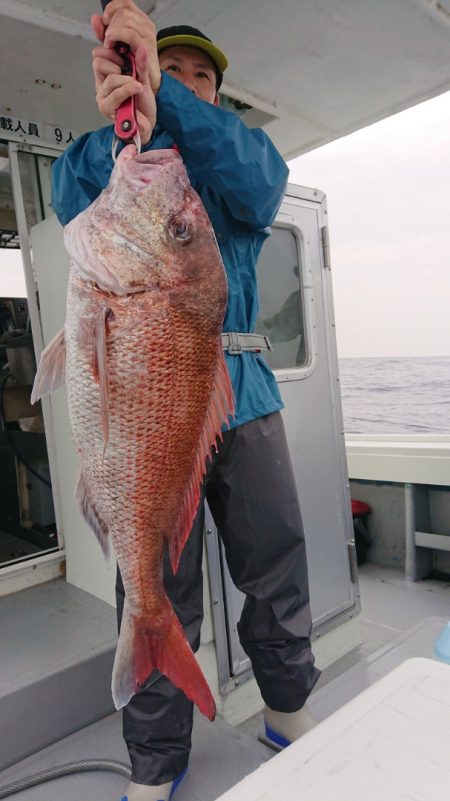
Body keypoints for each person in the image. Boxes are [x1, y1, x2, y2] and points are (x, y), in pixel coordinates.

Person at [51, 2, 320, 799]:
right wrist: (124, 117)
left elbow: (264, 182)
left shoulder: (231, 161)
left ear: (214, 95)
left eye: (203, 78)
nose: (189, 86)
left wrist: (173, 101)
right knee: (155, 581)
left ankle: (287, 706)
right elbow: (71, 195)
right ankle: (157, 760)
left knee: (276, 567)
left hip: (247, 394)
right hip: (158, 393)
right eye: (173, 70)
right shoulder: (126, 164)